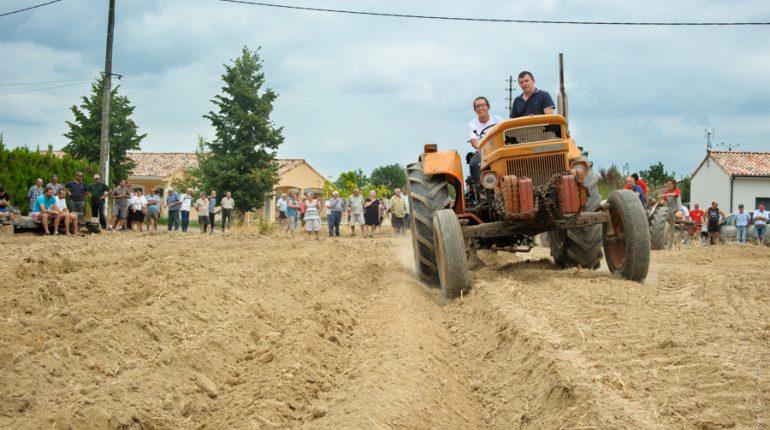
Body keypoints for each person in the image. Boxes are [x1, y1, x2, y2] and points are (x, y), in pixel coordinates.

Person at [468, 96, 504, 187]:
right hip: (483, 152)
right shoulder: (472, 124)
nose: (480, 108)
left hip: (497, 149)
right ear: (475, 110)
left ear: (488, 107)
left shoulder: (498, 120)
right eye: (477, 106)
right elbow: (474, 141)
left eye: (482, 105)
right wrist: (481, 148)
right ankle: (480, 189)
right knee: (474, 164)